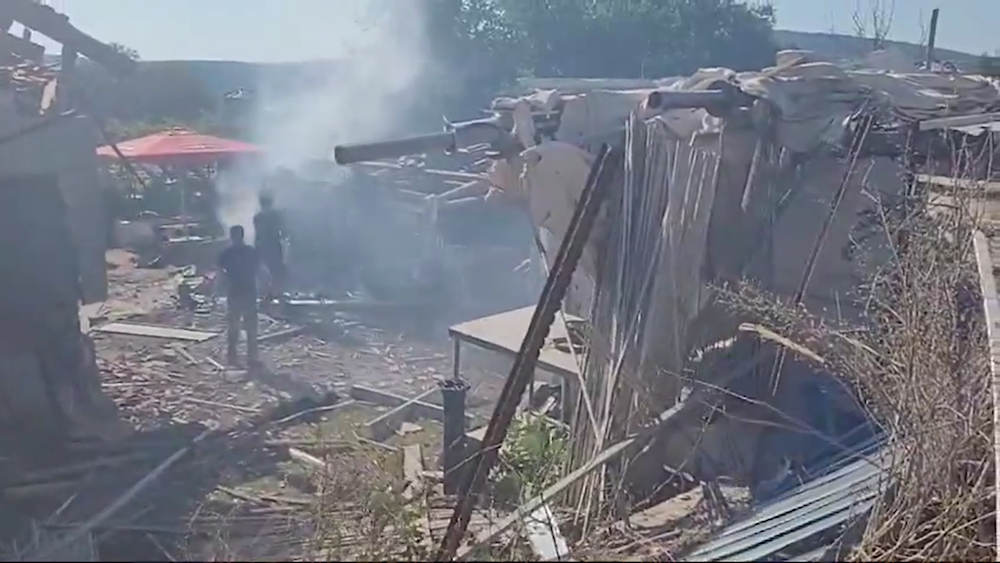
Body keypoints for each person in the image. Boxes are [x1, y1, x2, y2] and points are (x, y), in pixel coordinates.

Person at [218, 225, 260, 366]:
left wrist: (218, 288)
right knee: (251, 326)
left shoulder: (227, 253)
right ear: (243, 235)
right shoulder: (250, 251)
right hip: (249, 291)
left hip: (235, 292)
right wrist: (268, 288)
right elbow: (261, 270)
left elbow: (220, 273)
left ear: (231, 236)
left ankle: (233, 355)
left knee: (234, 325)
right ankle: (252, 356)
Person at [253, 192, 285, 302]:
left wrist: (256, 248)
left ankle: (265, 293)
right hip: (274, 244)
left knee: (263, 270)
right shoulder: (276, 215)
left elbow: (258, 234)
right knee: (276, 269)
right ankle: (276, 293)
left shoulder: (258, 216)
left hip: (263, 245)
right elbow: (282, 231)